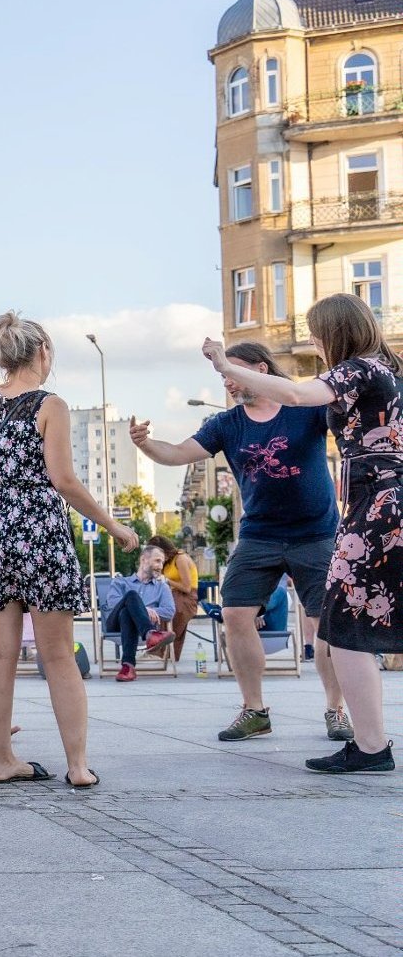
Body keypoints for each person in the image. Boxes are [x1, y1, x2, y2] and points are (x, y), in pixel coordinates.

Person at [202, 293, 398, 774]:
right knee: (348, 625)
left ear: (337, 331)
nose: (313, 340)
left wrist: (226, 363)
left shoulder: (360, 369)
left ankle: (371, 747)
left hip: (377, 508)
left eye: (317, 332)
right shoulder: (389, 369)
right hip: (378, 504)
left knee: (345, 627)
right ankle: (370, 744)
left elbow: (293, 394)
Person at [130, 341, 350, 743]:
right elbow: (178, 452)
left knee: (326, 624)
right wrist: (145, 445)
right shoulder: (227, 424)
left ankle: (336, 709)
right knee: (234, 614)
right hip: (259, 535)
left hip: (316, 533)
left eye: (233, 373)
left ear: (261, 369)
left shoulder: (306, 408)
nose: (228, 383)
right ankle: (254, 709)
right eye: (224, 376)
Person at [0, 313, 135, 789]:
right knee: (56, 655)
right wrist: (113, 525)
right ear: (42, 353)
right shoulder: (51, 404)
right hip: (38, 529)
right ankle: (77, 765)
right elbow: (64, 480)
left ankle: (0, 760)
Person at [99, 545, 176, 682]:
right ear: (144, 559)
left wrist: (140, 610)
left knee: (126, 614)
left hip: (129, 624)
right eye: (157, 561)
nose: (160, 566)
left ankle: (127, 667)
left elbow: (169, 611)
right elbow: (112, 604)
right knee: (131, 595)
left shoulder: (162, 587)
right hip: (114, 625)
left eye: (162, 563)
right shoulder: (121, 582)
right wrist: (145, 609)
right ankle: (150, 634)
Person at [148, 535, 200, 663]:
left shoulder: (180, 558)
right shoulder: (165, 563)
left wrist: (167, 581)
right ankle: (159, 649)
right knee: (154, 607)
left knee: (172, 611)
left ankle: (162, 651)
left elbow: (187, 587)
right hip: (172, 595)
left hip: (187, 597)